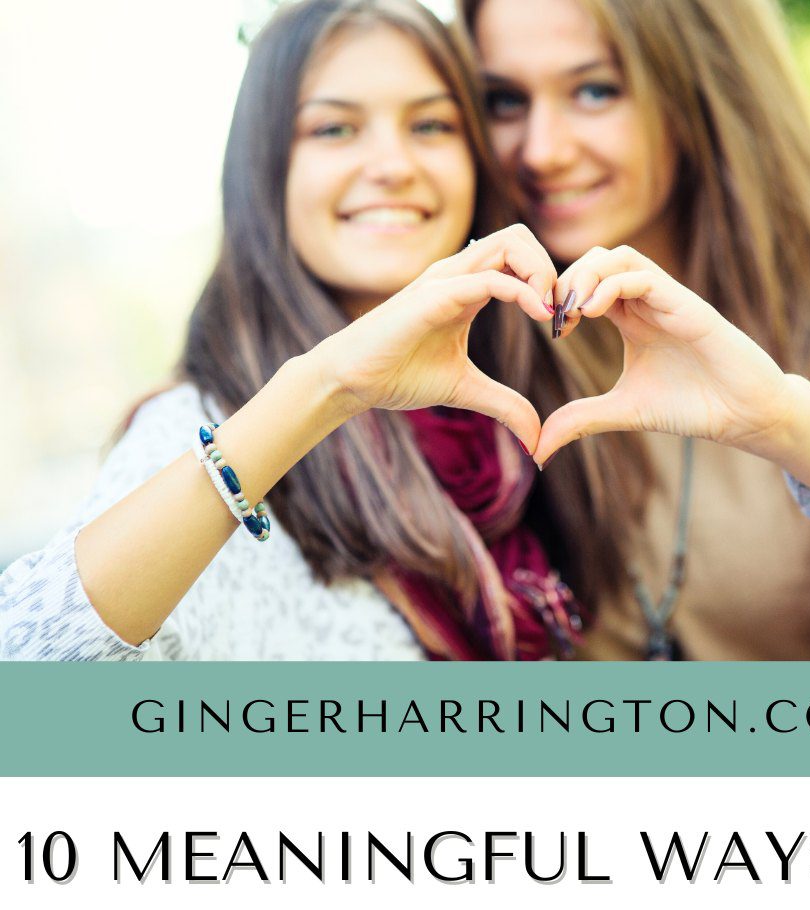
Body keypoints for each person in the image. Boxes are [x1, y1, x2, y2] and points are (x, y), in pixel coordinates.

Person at [0, 0, 640, 663]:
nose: (393, 164)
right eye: (334, 129)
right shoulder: (194, 431)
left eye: (431, 124)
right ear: (265, 172)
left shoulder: (530, 408)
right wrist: (324, 387)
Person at [459, 0, 810, 660]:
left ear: (703, 87)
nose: (542, 150)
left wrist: (785, 424)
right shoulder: (492, 330)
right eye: (506, 100)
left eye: (595, 90)